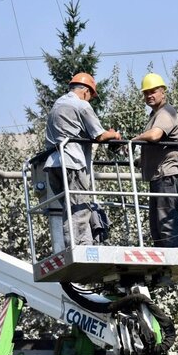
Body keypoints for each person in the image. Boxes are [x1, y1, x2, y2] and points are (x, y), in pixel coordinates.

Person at [44, 72, 121, 247]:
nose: (90, 100)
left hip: (54, 165)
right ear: (86, 91)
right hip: (72, 163)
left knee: (76, 208)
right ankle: (77, 249)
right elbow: (100, 135)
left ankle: (85, 246)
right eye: (91, 96)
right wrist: (114, 134)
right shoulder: (81, 105)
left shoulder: (57, 105)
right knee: (78, 210)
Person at [132, 73, 178, 248]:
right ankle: (164, 266)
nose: (149, 96)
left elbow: (155, 135)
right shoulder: (154, 116)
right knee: (157, 227)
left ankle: (174, 258)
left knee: (167, 224)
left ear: (163, 92)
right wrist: (140, 161)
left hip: (168, 176)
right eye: (146, 93)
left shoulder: (166, 112)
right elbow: (159, 146)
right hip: (159, 177)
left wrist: (134, 140)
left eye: (153, 91)